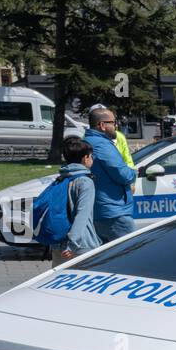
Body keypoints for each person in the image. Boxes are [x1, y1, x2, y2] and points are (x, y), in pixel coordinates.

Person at [84, 106, 137, 243]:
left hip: (101, 209)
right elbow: (122, 174)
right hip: (113, 212)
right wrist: (133, 173)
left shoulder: (89, 141)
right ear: (102, 125)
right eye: (113, 122)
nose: (116, 126)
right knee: (130, 253)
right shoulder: (102, 145)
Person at [49, 136, 100, 266]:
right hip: (79, 246)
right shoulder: (85, 182)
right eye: (91, 156)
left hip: (58, 243)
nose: (92, 159)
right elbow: (82, 214)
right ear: (85, 158)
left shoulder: (61, 178)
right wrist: (72, 244)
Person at [89, 103, 134, 170]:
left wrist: (129, 173)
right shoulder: (86, 139)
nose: (114, 125)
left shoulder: (119, 136)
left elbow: (128, 160)